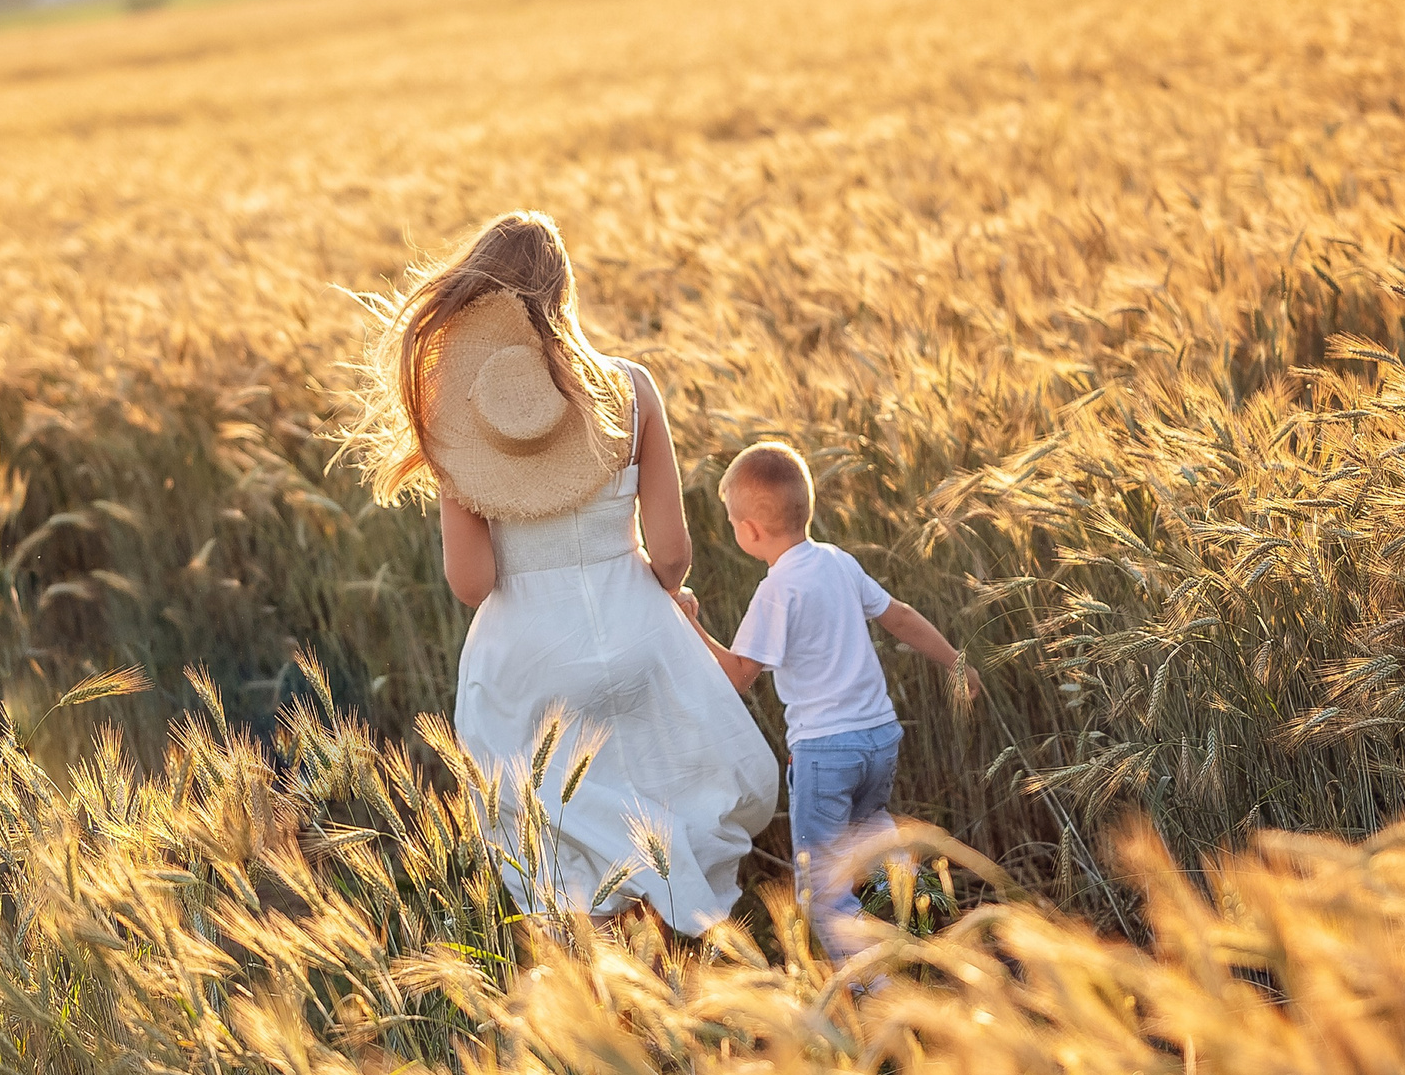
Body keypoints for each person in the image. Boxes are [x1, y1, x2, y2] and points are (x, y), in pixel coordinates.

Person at [348, 211, 778, 934]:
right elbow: (672, 553)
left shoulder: (458, 419)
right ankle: (678, 945)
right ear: (563, 291)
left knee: (563, 832)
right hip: (638, 632)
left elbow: (471, 583)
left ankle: (603, 967)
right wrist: (666, 597)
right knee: (663, 795)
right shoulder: (630, 388)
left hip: (529, 661)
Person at [680, 441, 974, 960]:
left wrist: (691, 624)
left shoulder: (777, 590)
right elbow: (900, 616)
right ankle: (927, 919)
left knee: (821, 892)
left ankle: (873, 984)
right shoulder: (839, 562)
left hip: (825, 753)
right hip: (879, 738)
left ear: (749, 531)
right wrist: (956, 662)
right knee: (871, 833)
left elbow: (738, 676)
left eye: (731, 522)